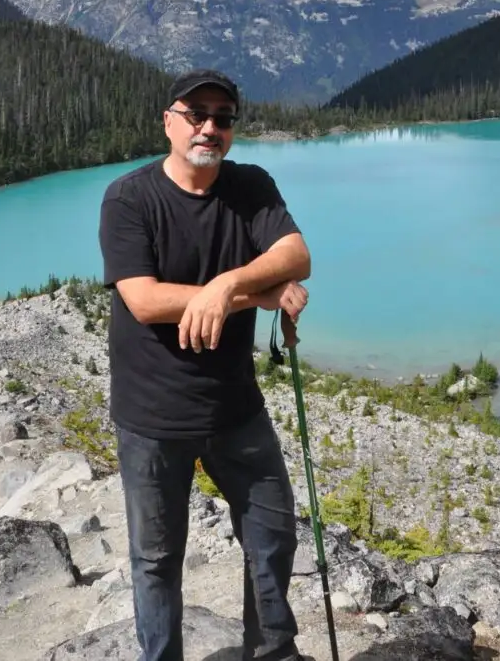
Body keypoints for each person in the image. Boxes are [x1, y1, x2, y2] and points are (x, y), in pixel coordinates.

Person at [98, 68, 311, 661]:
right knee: (157, 559)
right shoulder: (129, 198)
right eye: (197, 115)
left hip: (235, 406)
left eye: (223, 117)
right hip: (153, 415)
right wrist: (254, 294)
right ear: (169, 121)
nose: (210, 127)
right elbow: (142, 300)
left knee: (271, 534)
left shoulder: (251, 187)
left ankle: (270, 652)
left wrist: (227, 285)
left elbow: (297, 255)